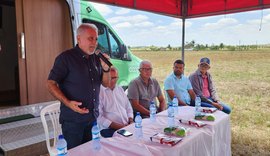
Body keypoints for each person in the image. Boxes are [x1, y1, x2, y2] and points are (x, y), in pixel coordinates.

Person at [47, 23, 110, 149]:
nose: (94, 42)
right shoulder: (65, 58)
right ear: (79, 38)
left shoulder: (97, 59)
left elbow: (106, 83)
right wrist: (68, 103)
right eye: (90, 38)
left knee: (91, 151)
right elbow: (51, 83)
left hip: (92, 119)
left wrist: (106, 69)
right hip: (73, 121)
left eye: (96, 39)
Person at [97, 67, 134, 137]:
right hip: (109, 129)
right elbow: (99, 117)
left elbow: (128, 107)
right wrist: (120, 126)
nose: (112, 80)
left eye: (114, 78)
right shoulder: (99, 92)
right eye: (110, 77)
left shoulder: (119, 89)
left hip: (126, 125)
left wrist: (131, 120)